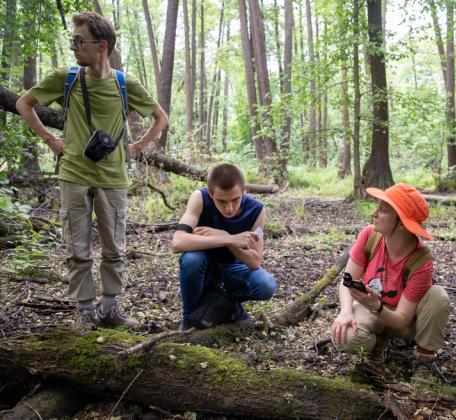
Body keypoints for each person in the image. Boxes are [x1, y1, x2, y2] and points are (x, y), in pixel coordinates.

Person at [16, 12, 168, 328]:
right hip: (73, 173)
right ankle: (85, 311)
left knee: (114, 246)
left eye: (78, 41)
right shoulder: (66, 78)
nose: (74, 47)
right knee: (77, 246)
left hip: (113, 177)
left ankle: (110, 309)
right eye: (73, 40)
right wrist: (50, 139)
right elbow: (24, 103)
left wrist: (136, 147)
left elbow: (160, 118)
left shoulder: (125, 84)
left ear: (100, 45)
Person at [330, 183, 450, 364]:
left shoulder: (421, 260)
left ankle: (424, 358)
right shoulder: (369, 236)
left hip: (403, 322)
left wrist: (376, 306)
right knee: (345, 338)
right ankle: (376, 344)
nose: (374, 214)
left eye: (383, 210)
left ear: (401, 224)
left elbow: (402, 321)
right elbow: (347, 281)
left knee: (438, 296)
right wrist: (346, 312)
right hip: (371, 309)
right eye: (378, 207)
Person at [171, 163, 277, 331]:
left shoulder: (256, 210)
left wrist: (227, 238)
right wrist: (228, 239)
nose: (229, 208)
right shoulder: (200, 198)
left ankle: (227, 303)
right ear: (211, 193)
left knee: (266, 285)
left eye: (235, 199)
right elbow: (177, 243)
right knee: (192, 259)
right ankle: (188, 319)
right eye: (221, 201)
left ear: (244, 190)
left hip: (232, 268)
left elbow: (255, 262)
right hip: (202, 266)